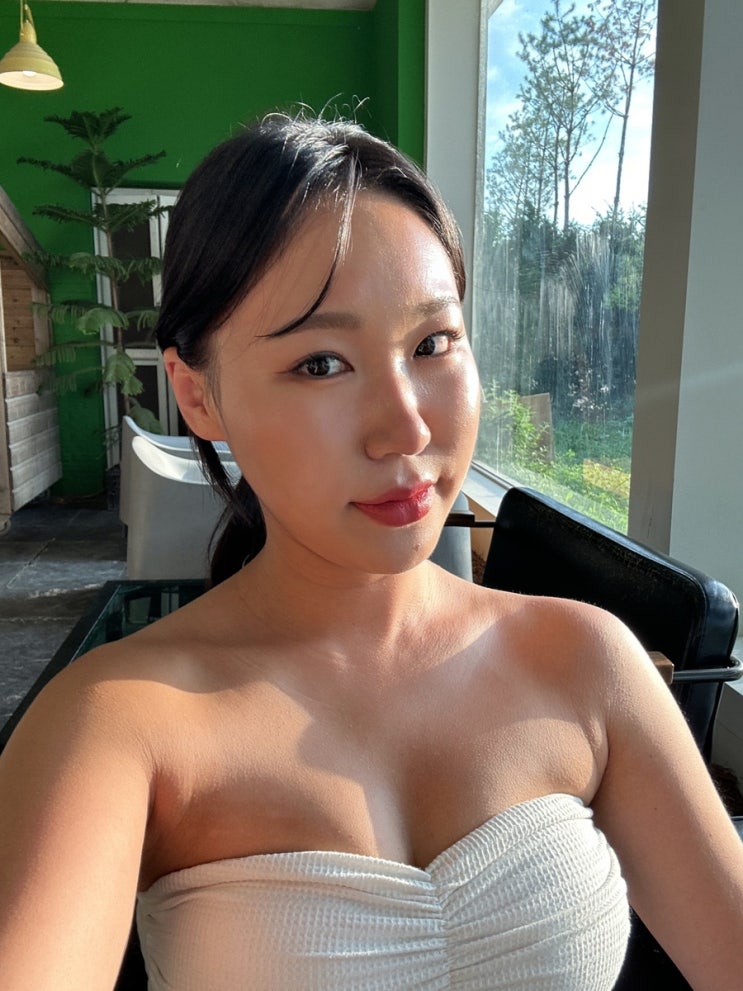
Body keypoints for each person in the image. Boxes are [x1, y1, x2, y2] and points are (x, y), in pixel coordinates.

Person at [0, 113, 741, 991]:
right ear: (197, 396)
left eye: (432, 343)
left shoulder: (585, 661)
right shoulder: (119, 723)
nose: (406, 427)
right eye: (320, 363)